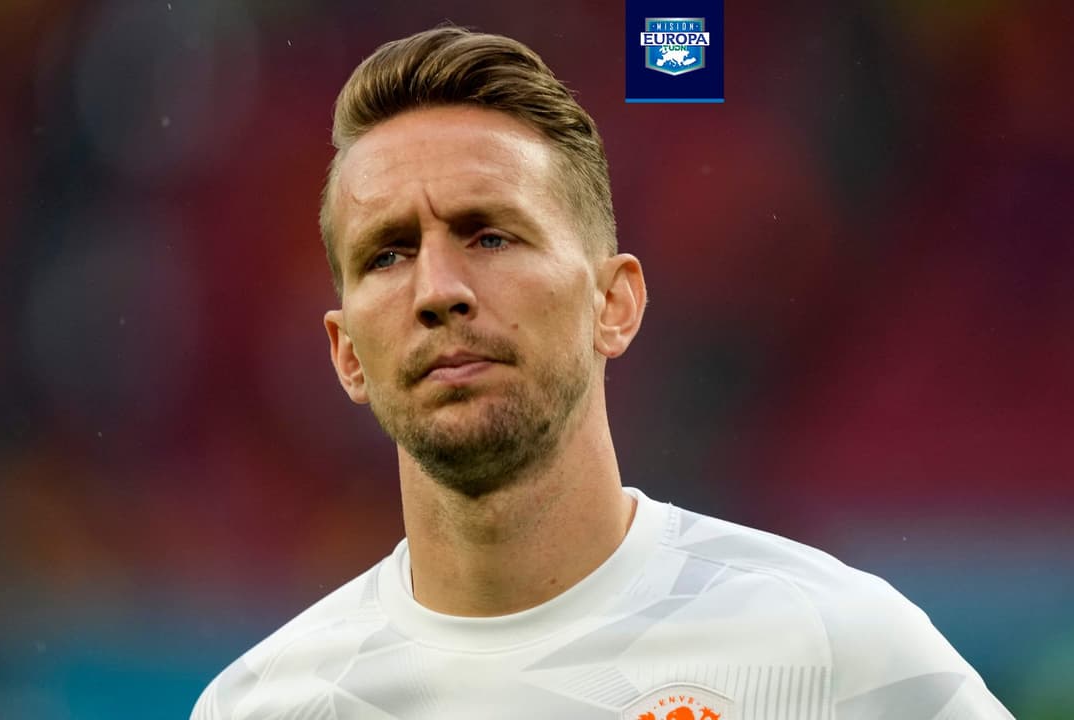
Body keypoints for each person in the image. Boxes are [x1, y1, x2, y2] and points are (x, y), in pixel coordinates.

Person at [191, 26, 1014, 720]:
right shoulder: (261, 706)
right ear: (346, 354)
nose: (438, 290)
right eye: (388, 254)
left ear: (614, 304)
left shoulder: (833, 649)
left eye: (490, 236)